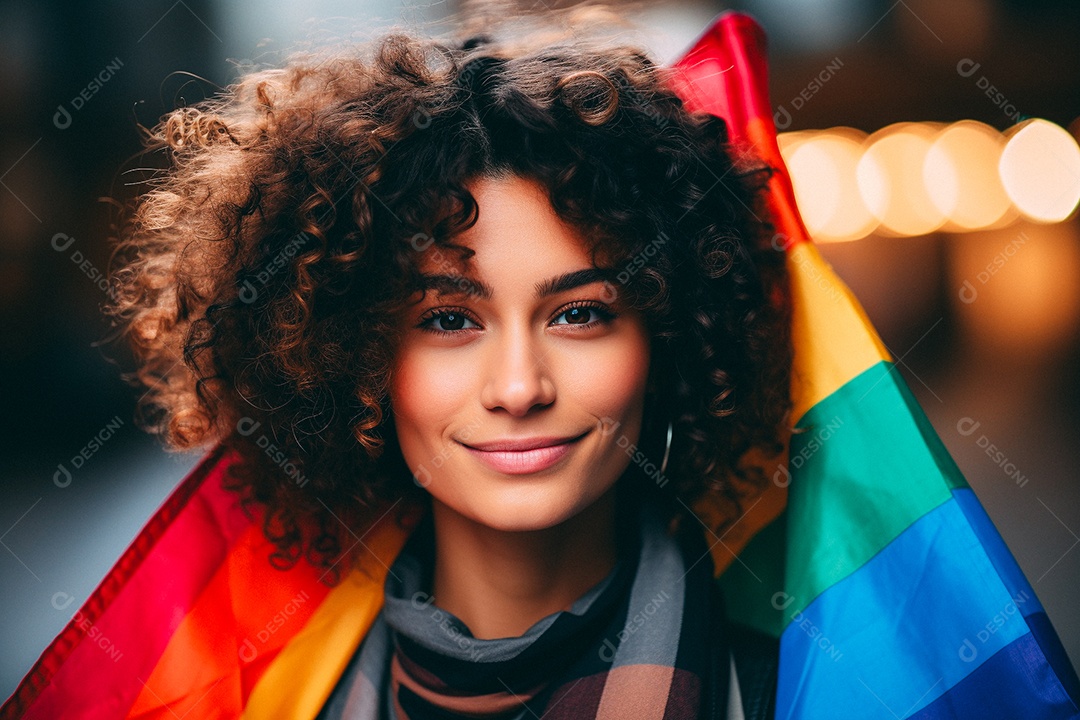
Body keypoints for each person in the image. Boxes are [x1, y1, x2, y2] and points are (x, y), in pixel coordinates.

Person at [104, 6, 792, 718]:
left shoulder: (811, 695)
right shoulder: (276, 701)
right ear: (350, 361)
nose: (520, 387)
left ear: (670, 339)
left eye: (579, 314)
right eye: (449, 320)